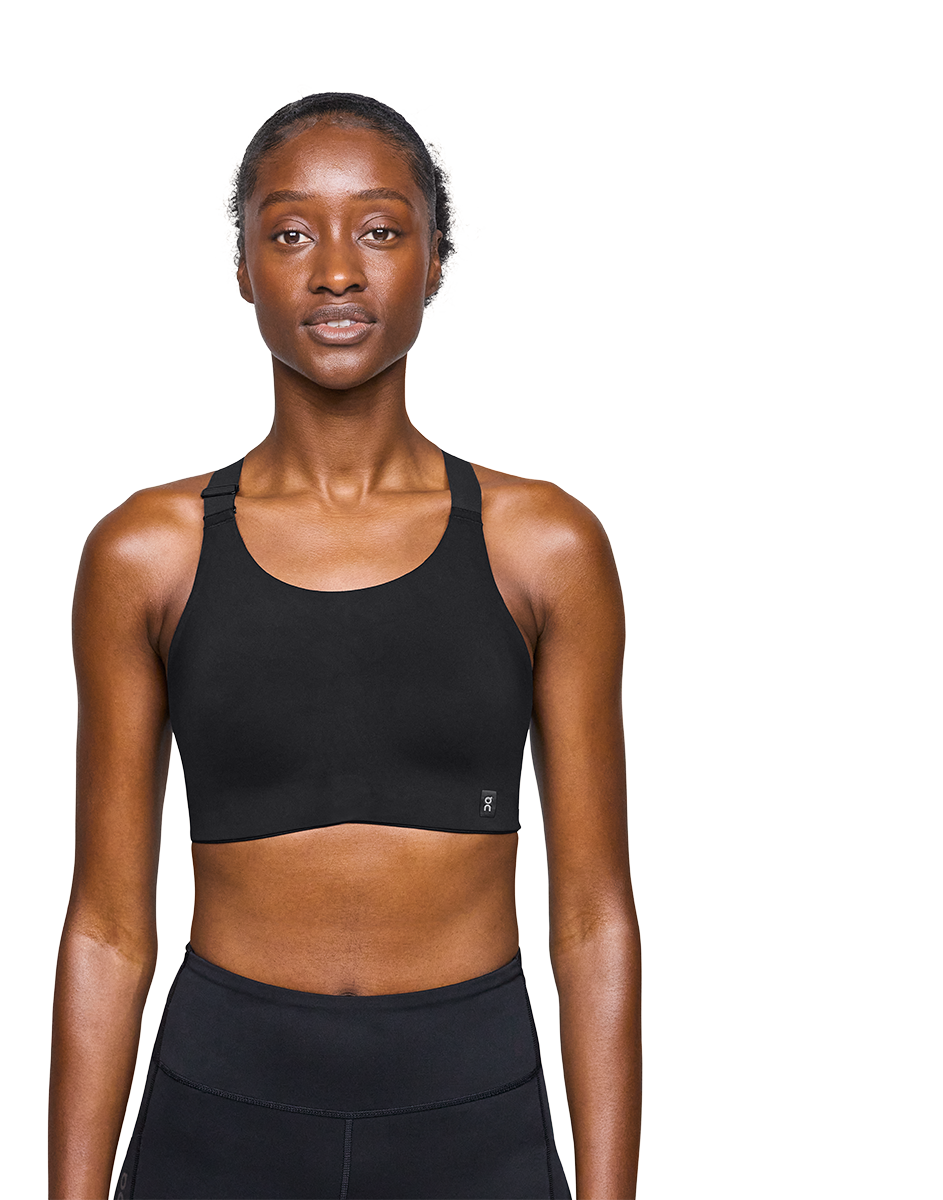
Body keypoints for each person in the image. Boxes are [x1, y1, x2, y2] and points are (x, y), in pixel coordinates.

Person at [49, 91, 641, 1200]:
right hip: (217, 1119)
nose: (335, 271)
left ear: (435, 259)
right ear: (241, 268)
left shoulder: (543, 545)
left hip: (475, 1120)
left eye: (378, 228)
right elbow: (108, 928)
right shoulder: (148, 553)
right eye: (289, 232)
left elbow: (594, 918)